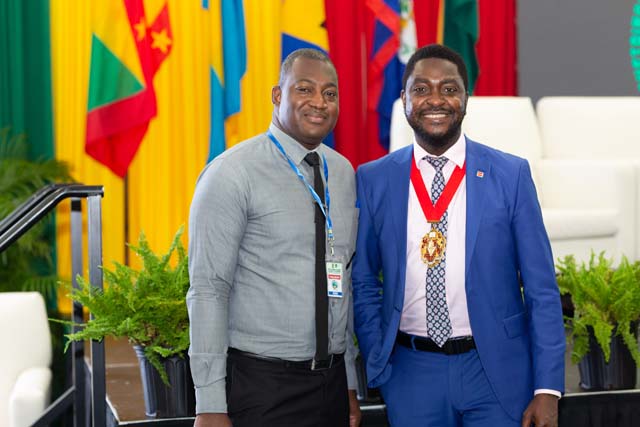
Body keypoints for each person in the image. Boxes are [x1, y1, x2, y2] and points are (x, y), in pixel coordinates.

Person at [352, 44, 565, 427]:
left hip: (496, 371)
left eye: (449, 88)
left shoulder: (510, 175)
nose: (435, 99)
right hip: (411, 372)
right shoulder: (374, 179)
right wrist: (377, 354)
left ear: (466, 99)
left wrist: (548, 388)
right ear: (404, 99)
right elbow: (364, 279)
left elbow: (541, 289)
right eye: (421, 89)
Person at [187, 48, 361, 427]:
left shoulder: (343, 173)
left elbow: (341, 282)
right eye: (305, 89)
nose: (319, 102)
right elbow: (208, 290)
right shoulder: (231, 174)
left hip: (331, 384)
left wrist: (348, 381)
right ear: (277, 95)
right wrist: (210, 403)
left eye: (330, 93)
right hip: (263, 387)